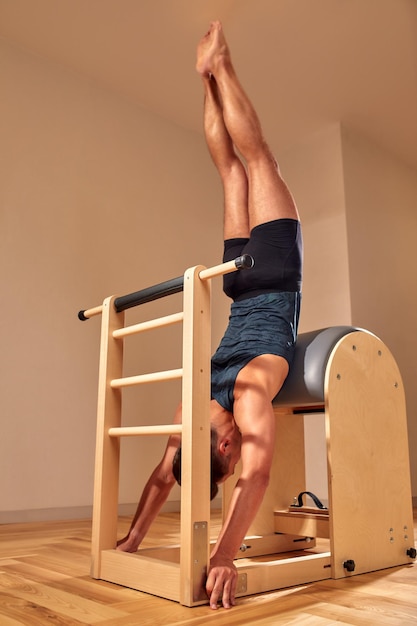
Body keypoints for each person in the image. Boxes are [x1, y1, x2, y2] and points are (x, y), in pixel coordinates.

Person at [117, 21, 303, 610]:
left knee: (240, 167)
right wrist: (218, 553)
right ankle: (213, 72)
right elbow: (243, 473)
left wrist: (134, 538)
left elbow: (165, 477)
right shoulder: (222, 404)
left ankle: (214, 73)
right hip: (257, 278)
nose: (230, 443)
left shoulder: (217, 407)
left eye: (225, 447)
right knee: (249, 162)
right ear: (219, 452)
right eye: (223, 446)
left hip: (253, 281)